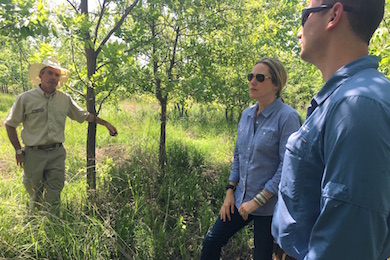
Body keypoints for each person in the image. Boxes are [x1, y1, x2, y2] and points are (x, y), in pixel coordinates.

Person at [272, 0, 390, 259]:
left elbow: (345, 247)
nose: (298, 31)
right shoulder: (345, 99)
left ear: (333, 15)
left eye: (305, 15)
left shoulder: (357, 105)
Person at [201, 57, 301, 260]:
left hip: (270, 206)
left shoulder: (287, 117)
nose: (252, 82)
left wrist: (258, 201)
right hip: (241, 200)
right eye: (251, 76)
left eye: (260, 77)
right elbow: (238, 155)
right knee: (211, 241)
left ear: (276, 84)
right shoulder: (247, 115)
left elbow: (288, 166)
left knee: (261, 256)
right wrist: (230, 190)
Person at [4, 57, 118, 211]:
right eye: (50, 73)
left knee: (54, 193)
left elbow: (83, 115)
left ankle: (53, 224)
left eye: (57, 75)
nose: (53, 78)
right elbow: (10, 124)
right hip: (33, 153)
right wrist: (18, 151)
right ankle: (35, 224)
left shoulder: (64, 99)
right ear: (41, 75)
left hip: (57, 153)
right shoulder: (25, 98)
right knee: (35, 194)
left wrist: (105, 123)